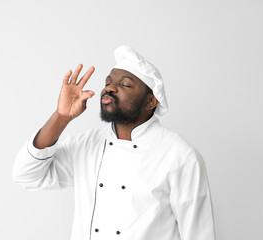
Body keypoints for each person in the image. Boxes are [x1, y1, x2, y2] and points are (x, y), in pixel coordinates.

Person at [13, 45, 216, 240]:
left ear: (151, 101)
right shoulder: (87, 144)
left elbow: (199, 234)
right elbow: (26, 175)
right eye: (108, 82)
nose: (109, 88)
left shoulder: (180, 155)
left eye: (125, 84)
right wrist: (61, 116)